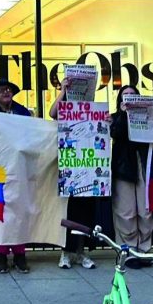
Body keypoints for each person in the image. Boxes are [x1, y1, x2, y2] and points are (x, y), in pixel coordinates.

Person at [0, 79, 31, 273]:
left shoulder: (24, 112)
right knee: (0, 212)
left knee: (19, 211)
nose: (6, 92)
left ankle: (20, 254)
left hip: (19, 167)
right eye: (1, 90)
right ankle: (1, 253)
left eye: (9, 89)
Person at [49, 77, 96, 270]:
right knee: (68, 212)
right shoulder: (65, 106)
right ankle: (65, 252)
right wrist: (63, 90)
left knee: (86, 213)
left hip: (88, 166)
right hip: (68, 168)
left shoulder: (92, 108)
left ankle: (81, 252)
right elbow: (53, 113)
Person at [109, 85, 153, 269]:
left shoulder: (148, 116)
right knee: (125, 212)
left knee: (145, 211)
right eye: (125, 96)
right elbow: (115, 133)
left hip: (142, 164)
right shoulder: (114, 117)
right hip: (123, 167)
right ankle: (127, 251)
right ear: (120, 100)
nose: (128, 98)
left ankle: (144, 250)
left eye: (132, 95)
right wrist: (122, 115)